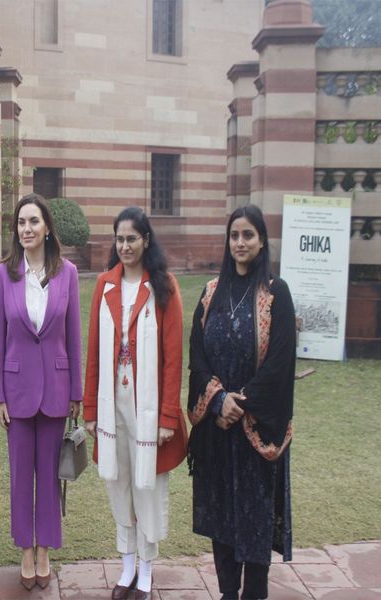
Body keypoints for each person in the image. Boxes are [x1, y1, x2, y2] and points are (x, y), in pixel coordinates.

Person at [188, 205, 295, 600]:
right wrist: (218, 400)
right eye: (234, 235)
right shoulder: (211, 292)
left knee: (255, 517)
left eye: (248, 235)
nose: (240, 242)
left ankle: (254, 594)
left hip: (255, 428)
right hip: (220, 427)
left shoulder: (277, 293)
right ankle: (227, 593)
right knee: (223, 517)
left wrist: (242, 403)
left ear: (261, 240)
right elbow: (197, 354)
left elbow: (281, 362)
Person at [83, 207, 187, 600]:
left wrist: (168, 417)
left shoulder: (164, 286)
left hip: (149, 407)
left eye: (132, 239)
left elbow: (173, 357)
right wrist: (90, 410)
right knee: (120, 483)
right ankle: (126, 566)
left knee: (148, 487)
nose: (125, 246)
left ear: (146, 240)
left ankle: (146, 571)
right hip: (113, 404)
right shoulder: (105, 285)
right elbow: (94, 351)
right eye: (120, 239)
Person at [0, 193, 82, 591]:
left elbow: (73, 336)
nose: (26, 229)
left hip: (57, 391)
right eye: (21, 222)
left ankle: (45, 549)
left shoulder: (68, 274)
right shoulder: (3, 275)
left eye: (33, 221)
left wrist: (76, 391)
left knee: (49, 476)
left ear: (46, 228)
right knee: (20, 478)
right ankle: (25, 550)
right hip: (17, 392)